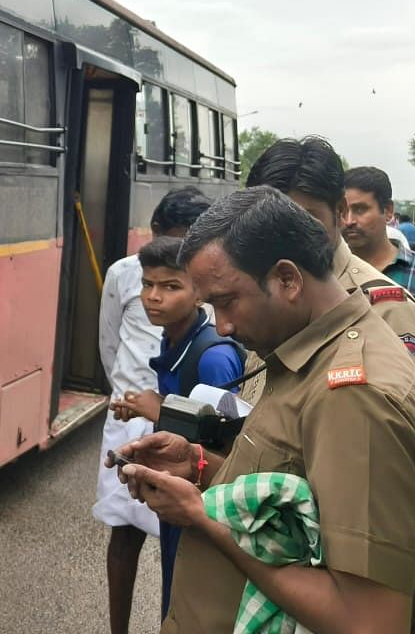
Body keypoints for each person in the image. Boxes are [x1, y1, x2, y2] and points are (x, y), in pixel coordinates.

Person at [114, 187, 415, 633]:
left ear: (288, 279)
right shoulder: (305, 349)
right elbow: (301, 497)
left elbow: (368, 619)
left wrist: (204, 519)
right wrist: (197, 466)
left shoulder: (354, 394)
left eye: (227, 302)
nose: (224, 325)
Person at [245, 136, 415, 409]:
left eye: (301, 219)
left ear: (339, 210)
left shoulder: (391, 312)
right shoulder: (264, 299)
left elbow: (408, 437)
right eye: (266, 221)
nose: (281, 237)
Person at [93, 186, 211, 634]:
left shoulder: (207, 274)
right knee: (124, 532)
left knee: (181, 538)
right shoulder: (123, 273)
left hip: (180, 418)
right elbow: (109, 343)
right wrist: (125, 395)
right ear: (156, 233)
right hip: (128, 418)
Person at [108, 236, 244, 619]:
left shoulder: (213, 357)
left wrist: (162, 410)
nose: (153, 297)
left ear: (199, 292)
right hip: (179, 497)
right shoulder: (175, 338)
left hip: (204, 509)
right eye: (148, 284)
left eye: (170, 286)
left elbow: (227, 447)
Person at [343, 165, 415, 633]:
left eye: (361, 209)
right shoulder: (330, 282)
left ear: (387, 212)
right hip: (348, 457)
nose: (350, 220)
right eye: (342, 209)